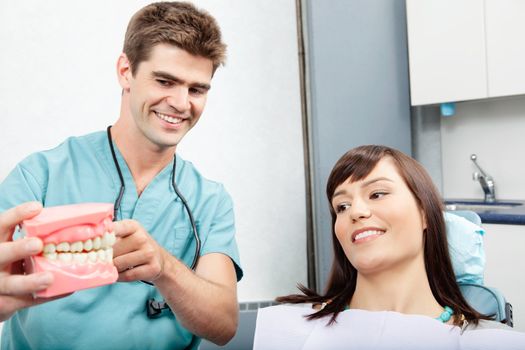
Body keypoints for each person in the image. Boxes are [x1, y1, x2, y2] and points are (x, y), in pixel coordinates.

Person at [0, 2, 242, 349]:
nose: (180, 102)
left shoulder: (210, 201)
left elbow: (223, 325)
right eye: (164, 81)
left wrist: (163, 267)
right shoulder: (40, 176)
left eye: (196, 89)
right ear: (125, 71)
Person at [254, 145, 524, 349]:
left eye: (377, 194)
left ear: (425, 213)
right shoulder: (289, 332)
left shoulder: (492, 342)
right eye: (341, 207)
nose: (355, 212)